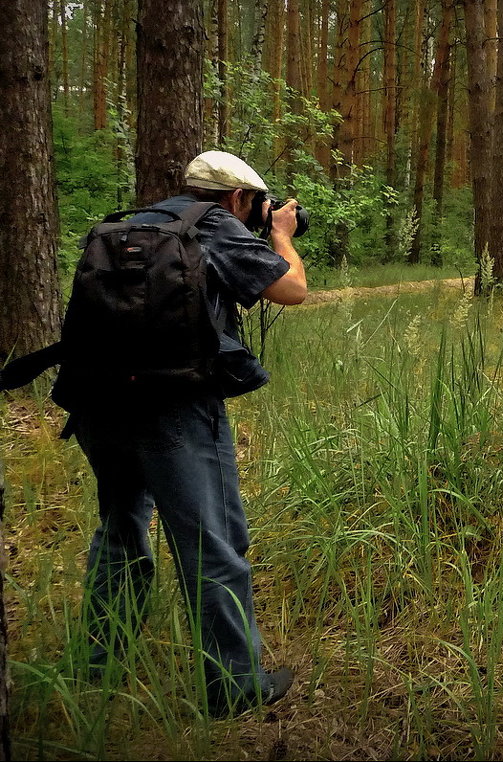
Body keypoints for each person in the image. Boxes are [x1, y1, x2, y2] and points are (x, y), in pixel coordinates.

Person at [72, 150, 306, 717]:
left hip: (96, 398)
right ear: (237, 198)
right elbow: (291, 290)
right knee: (212, 543)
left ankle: (97, 669)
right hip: (175, 404)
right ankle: (236, 686)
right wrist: (281, 235)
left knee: (121, 529)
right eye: (254, 202)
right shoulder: (221, 227)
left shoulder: (128, 224)